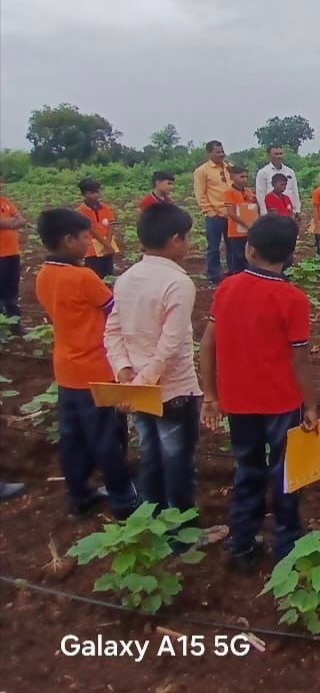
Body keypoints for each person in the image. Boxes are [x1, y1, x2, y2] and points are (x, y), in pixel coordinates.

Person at [199, 215, 317, 573]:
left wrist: (210, 395)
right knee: (286, 474)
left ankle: (242, 544)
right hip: (282, 402)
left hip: (238, 401)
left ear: (248, 249)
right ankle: (286, 543)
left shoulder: (227, 287)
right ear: (291, 256)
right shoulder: (293, 298)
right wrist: (310, 404)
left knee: (247, 470)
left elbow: (207, 344)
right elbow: (299, 362)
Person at [104, 204, 226, 543]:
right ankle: (183, 535)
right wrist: (144, 381)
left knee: (151, 457)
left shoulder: (126, 278)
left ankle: (151, 522)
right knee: (178, 465)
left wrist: (125, 372)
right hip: (173, 391)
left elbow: (112, 331)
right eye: (187, 239)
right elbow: (171, 344)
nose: (188, 246)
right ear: (175, 240)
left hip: (139, 391)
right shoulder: (177, 281)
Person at [35, 208, 137, 519]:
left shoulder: (43, 275)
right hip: (97, 369)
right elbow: (113, 310)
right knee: (108, 437)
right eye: (84, 238)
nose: (88, 243)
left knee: (74, 437)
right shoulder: (82, 276)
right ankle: (123, 499)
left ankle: (79, 495)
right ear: (68, 240)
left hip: (66, 369)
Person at [194, 141, 231, 285]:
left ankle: (232, 271)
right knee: (214, 247)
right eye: (218, 152)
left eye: (222, 151)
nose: (221, 154)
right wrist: (210, 212)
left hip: (231, 214)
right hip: (214, 215)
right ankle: (214, 275)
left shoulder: (229, 168)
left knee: (233, 245)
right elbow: (200, 194)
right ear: (209, 153)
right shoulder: (202, 171)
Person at [77, 178, 121, 279]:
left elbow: (111, 225)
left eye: (97, 192)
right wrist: (107, 245)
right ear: (84, 194)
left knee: (108, 274)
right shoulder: (80, 211)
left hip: (107, 248)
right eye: (92, 193)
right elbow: (91, 229)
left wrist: (108, 244)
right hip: (92, 251)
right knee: (95, 275)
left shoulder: (105, 207)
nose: (96, 195)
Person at [0, 175, 25, 331]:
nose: (1, 184)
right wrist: (13, 222)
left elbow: (21, 219)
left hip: (12, 253)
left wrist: (12, 222)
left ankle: (14, 325)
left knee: (12, 290)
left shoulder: (6, 202)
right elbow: (4, 223)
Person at [223, 166, 258, 277]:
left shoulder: (248, 192)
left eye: (246, 177)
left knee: (250, 257)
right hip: (236, 232)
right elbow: (231, 213)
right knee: (238, 257)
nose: (244, 179)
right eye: (241, 176)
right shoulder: (229, 192)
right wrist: (246, 225)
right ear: (232, 177)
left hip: (249, 230)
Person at [254, 146, 301, 217]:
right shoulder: (263, 173)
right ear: (269, 156)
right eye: (276, 154)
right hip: (272, 214)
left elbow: (295, 191)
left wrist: (297, 210)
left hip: (289, 212)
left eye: (281, 154)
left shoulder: (290, 172)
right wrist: (264, 214)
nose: (279, 156)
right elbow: (260, 194)